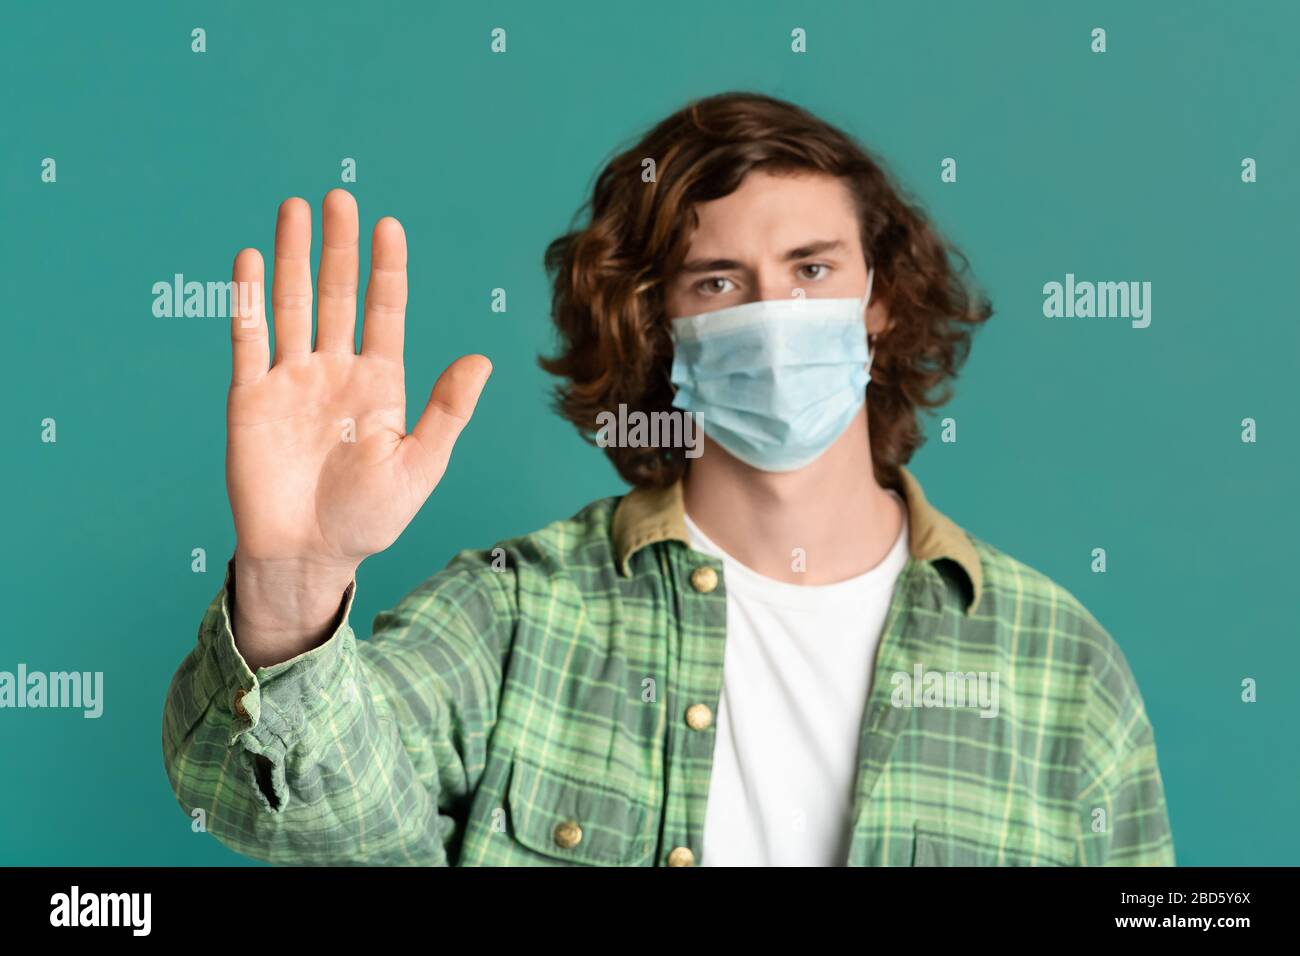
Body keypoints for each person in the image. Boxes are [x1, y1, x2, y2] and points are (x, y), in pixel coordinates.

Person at [162, 91, 1175, 866]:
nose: (774, 312)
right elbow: (286, 805)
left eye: (813, 268)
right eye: (719, 281)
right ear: (659, 324)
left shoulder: (1061, 667)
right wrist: (294, 580)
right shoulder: (515, 616)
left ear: (877, 299)